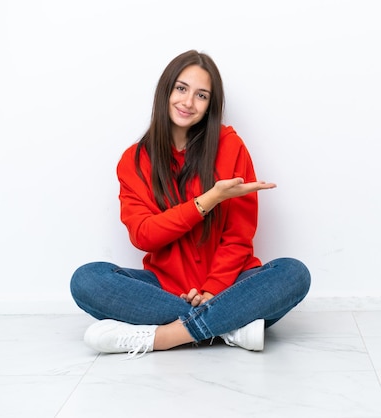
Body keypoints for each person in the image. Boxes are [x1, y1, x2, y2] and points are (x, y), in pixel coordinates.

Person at [70, 50, 311, 358]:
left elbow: (238, 238)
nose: (188, 102)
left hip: (230, 285)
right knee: (87, 279)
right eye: (181, 89)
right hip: (164, 288)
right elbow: (144, 235)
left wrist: (212, 290)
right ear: (166, 90)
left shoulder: (230, 147)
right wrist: (209, 199)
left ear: (211, 105)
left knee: (294, 273)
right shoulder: (135, 160)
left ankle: (167, 336)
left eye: (201, 95)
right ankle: (230, 327)